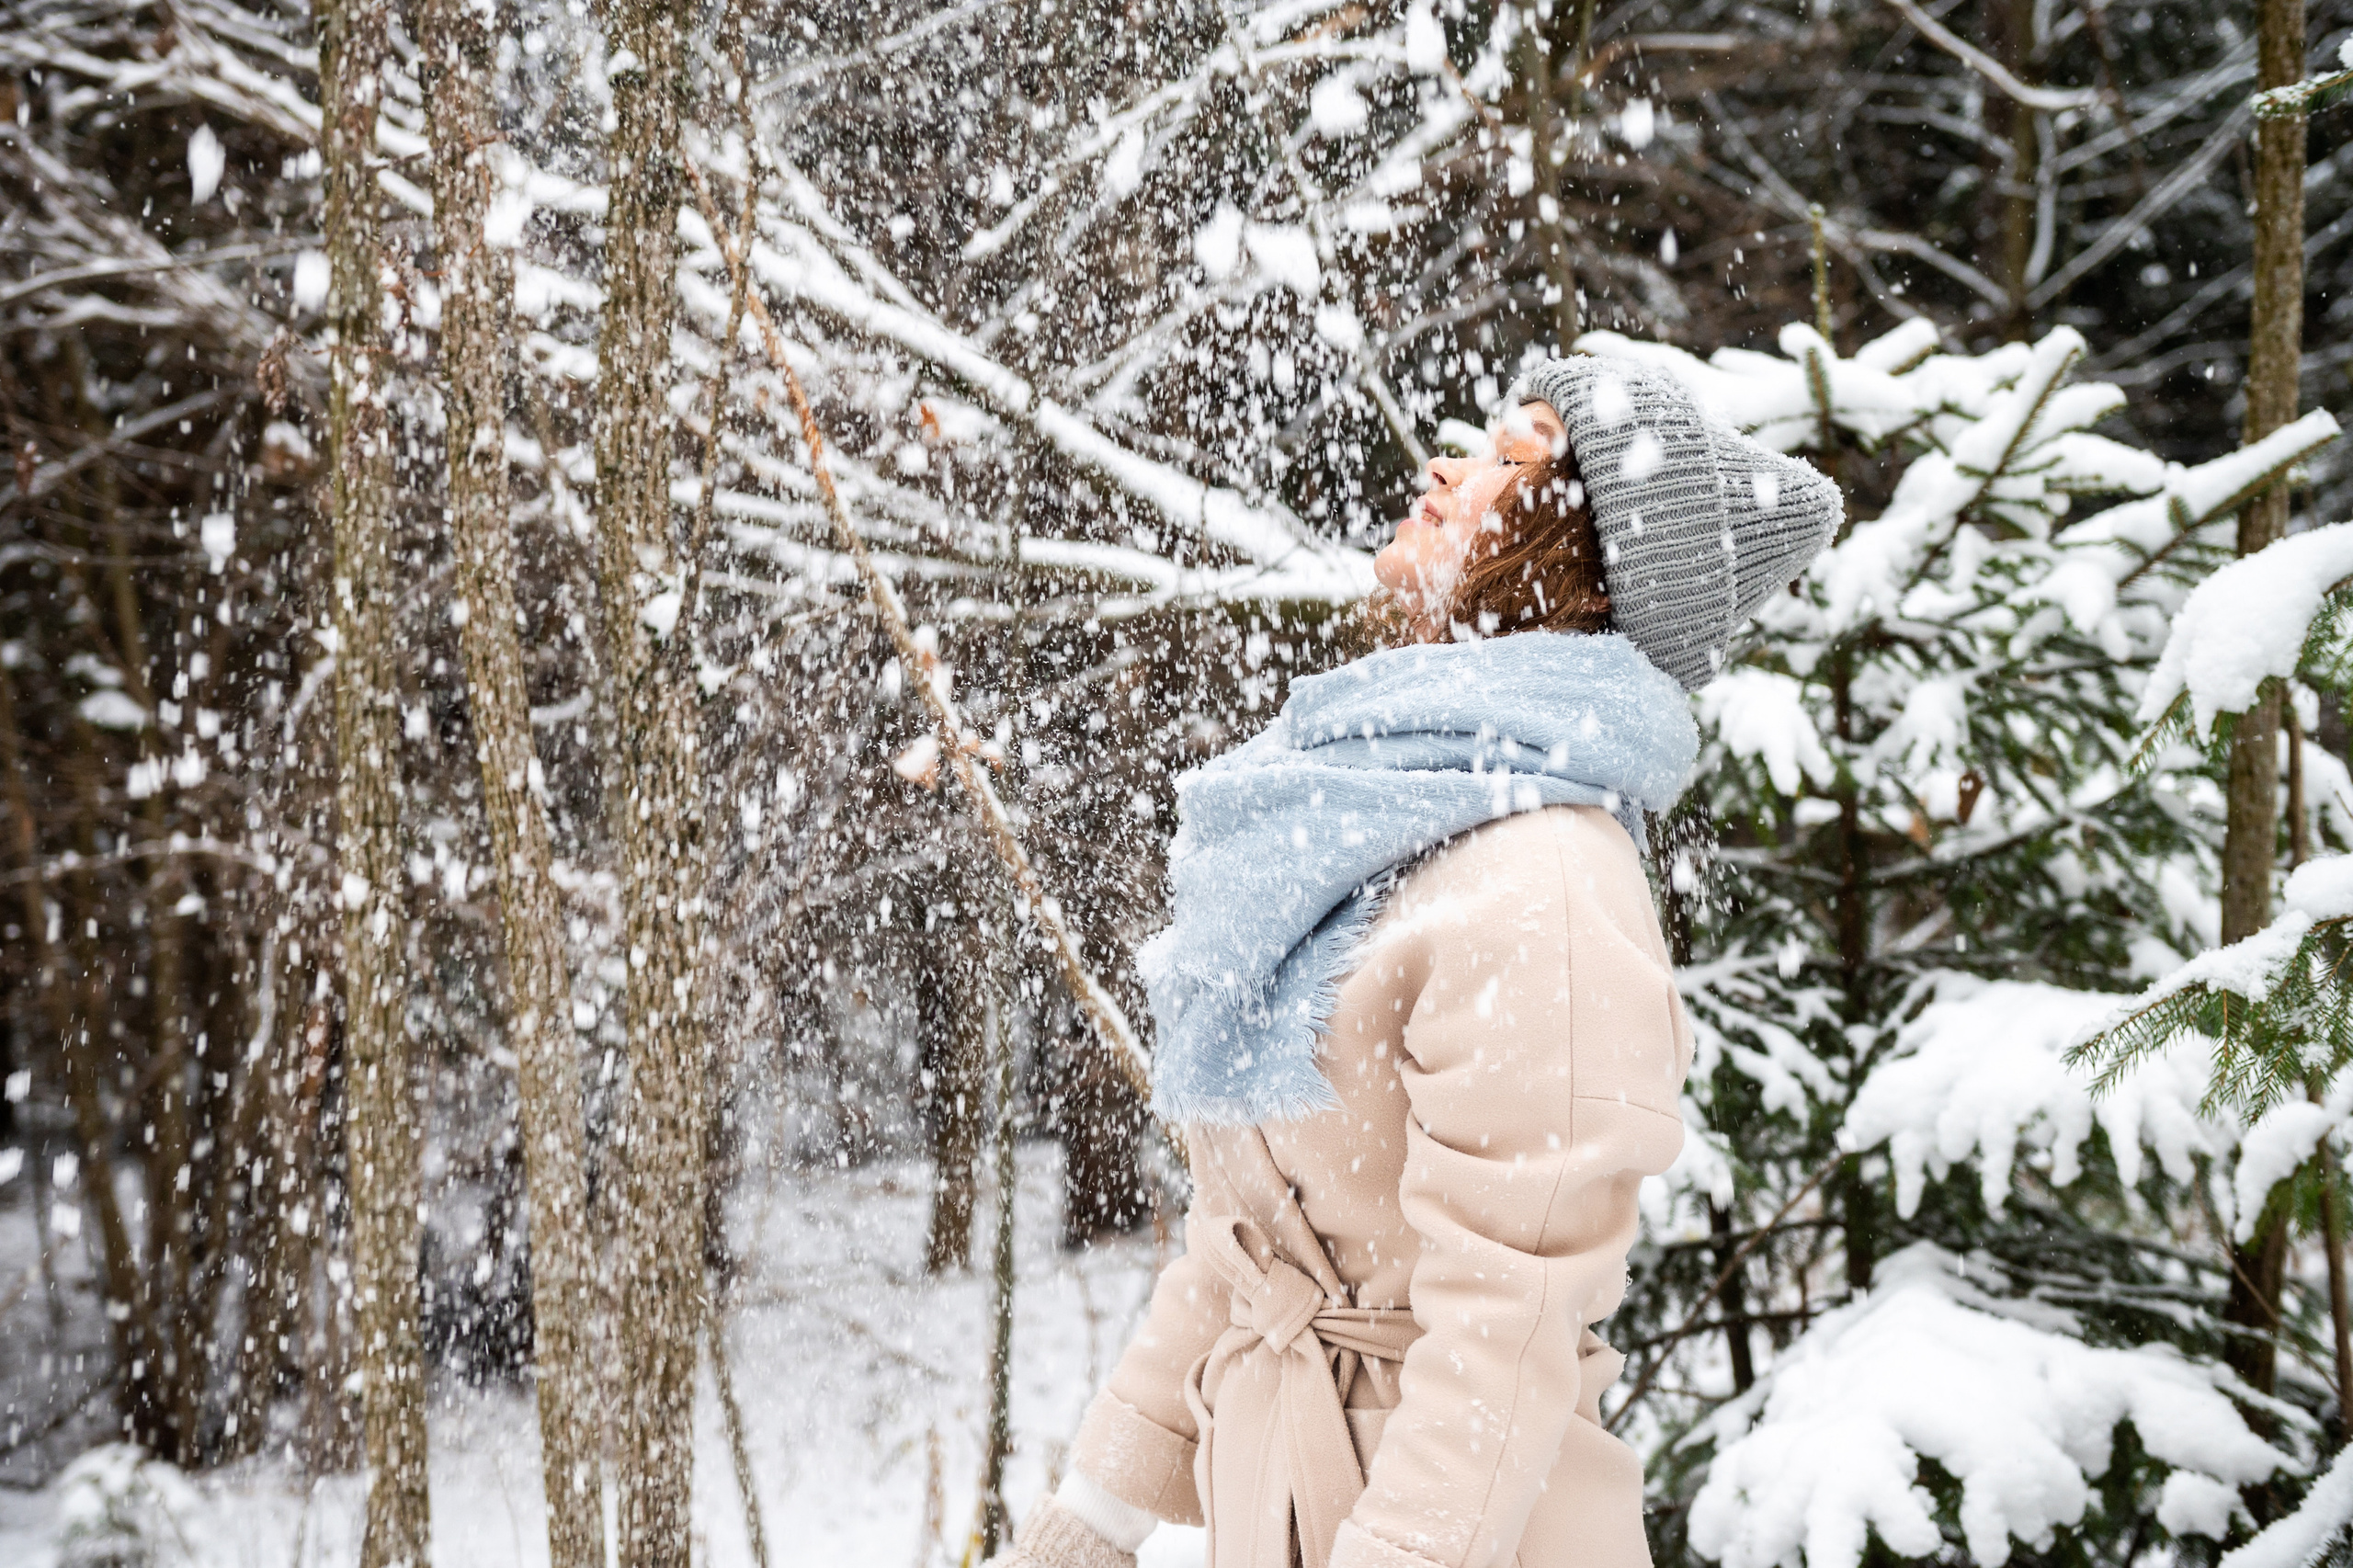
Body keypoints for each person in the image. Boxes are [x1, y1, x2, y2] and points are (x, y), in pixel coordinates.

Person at [996, 355, 1842, 1568]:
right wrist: (1094, 1519)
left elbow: (1510, 1317)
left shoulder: (1547, 876)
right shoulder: (1369, 827)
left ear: (1578, 566)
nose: (1452, 464)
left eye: (1512, 458)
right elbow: (1251, 1240)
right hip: (1287, 1499)